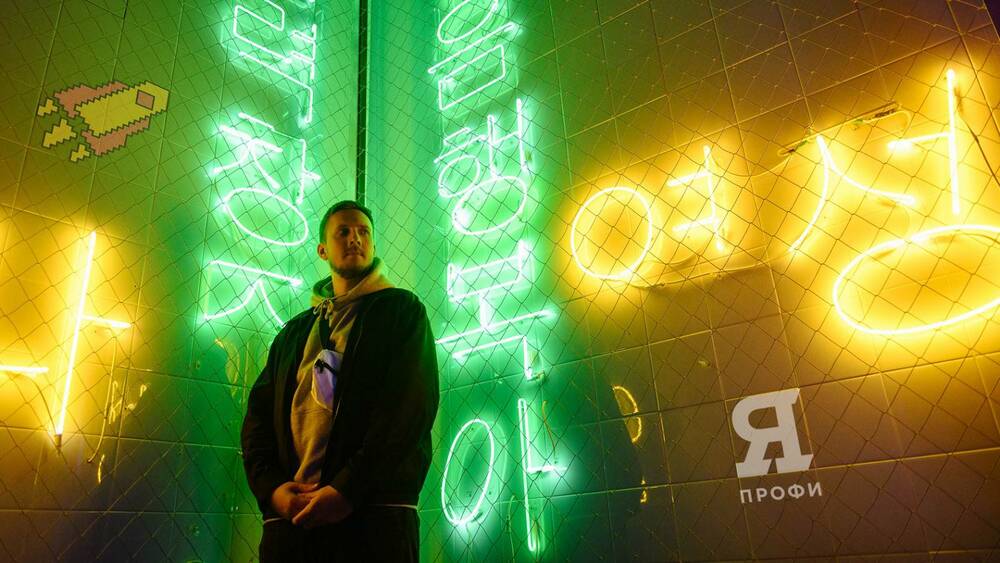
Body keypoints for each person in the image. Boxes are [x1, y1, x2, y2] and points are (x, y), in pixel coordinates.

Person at [241, 200, 439, 561]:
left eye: (364, 232)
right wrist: (273, 491)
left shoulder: (402, 311)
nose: (355, 239)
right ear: (322, 250)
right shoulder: (294, 332)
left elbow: (408, 412)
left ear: (373, 245)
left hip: (372, 521)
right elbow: (257, 420)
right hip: (293, 522)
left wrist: (347, 490)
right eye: (343, 232)